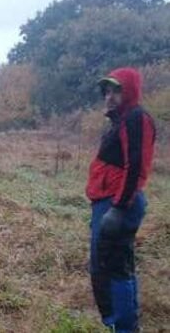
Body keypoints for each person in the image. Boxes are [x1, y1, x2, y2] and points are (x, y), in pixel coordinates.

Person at [86, 67, 156, 332]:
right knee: (113, 266)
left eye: (117, 90)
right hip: (108, 203)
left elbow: (136, 166)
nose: (110, 96)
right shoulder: (122, 121)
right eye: (107, 90)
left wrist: (117, 209)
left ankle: (123, 327)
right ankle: (122, 325)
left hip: (117, 204)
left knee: (111, 268)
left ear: (130, 91)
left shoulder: (136, 118)